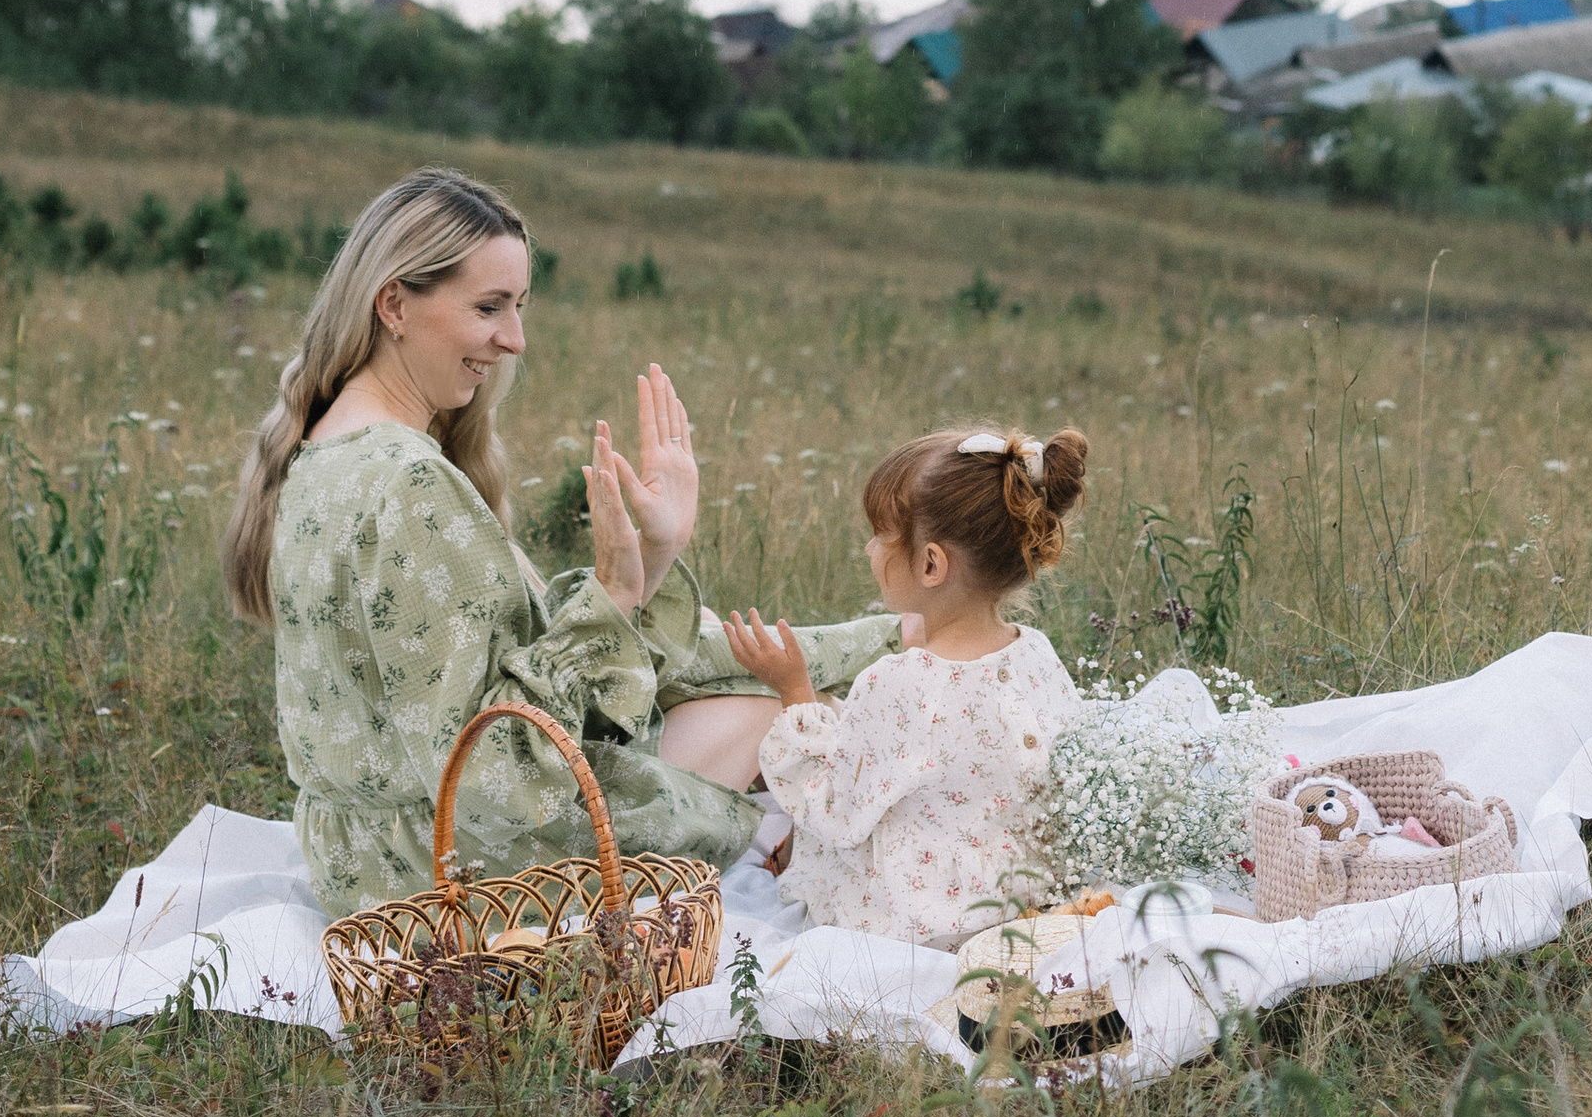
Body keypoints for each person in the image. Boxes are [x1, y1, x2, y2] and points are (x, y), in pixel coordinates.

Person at [220, 164, 900, 916]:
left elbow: (504, 688)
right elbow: (493, 775)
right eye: (489, 307)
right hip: (446, 875)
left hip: (364, 859)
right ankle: (844, 870)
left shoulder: (329, 448)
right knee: (786, 711)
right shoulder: (408, 485)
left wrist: (653, 555)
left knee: (730, 663)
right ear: (394, 305)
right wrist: (610, 592)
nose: (512, 339)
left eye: (518, 307)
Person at [721, 423, 1087, 945]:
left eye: (880, 535)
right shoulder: (1035, 653)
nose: (870, 548)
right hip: (1021, 902)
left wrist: (795, 692)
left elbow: (836, 811)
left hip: (920, 921)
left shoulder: (897, 683)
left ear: (931, 563)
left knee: (804, 826)